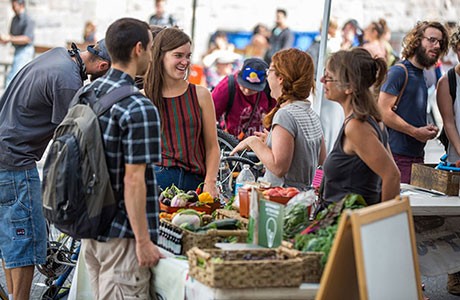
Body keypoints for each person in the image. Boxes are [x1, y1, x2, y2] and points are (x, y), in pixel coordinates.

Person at [0, 39, 110, 299]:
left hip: (5, 153)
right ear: (103, 65)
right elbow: (72, 139)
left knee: (12, 243)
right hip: (16, 161)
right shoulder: (68, 82)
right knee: (24, 244)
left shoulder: (59, 55)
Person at [80, 17, 163, 299]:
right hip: (123, 237)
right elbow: (134, 180)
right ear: (139, 48)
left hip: (90, 230)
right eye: (152, 48)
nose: (153, 56)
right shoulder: (138, 106)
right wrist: (143, 241)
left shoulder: (87, 92)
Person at [231, 49, 325, 190]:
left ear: (280, 78)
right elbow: (322, 163)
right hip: (303, 198)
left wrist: (254, 142)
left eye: (270, 71)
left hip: (281, 202)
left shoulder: (285, 115)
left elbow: (279, 168)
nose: (267, 77)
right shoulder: (311, 114)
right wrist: (315, 189)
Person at [144, 27, 220, 198]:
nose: (185, 62)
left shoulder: (201, 95)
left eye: (188, 56)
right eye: (178, 55)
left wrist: (210, 182)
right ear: (160, 56)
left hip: (196, 185)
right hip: (157, 183)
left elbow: (212, 147)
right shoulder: (144, 97)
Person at [321, 48, 400, 206]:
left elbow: (392, 175)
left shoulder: (356, 127)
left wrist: (383, 220)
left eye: (329, 77)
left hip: (351, 223)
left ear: (349, 87)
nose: (323, 80)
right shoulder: (370, 119)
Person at [378, 21, 449, 183]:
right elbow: (383, 111)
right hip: (396, 158)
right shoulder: (399, 72)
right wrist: (415, 132)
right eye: (431, 40)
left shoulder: (421, 74)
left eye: (440, 42)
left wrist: (425, 129)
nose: (437, 46)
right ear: (417, 40)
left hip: (415, 158)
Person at [436, 24, 460, 296]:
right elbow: (450, 122)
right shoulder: (448, 81)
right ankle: (455, 275)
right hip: (457, 159)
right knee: (457, 220)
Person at [212, 58, 276, 140]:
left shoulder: (269, 89)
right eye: (244, 86)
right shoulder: (227, 86)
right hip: (231, 142)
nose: (247, 91)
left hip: (260, 143)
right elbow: (210, 114)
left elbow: (276, 113)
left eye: (253, 89)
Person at [0, 0, 35, 88]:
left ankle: (7, 101)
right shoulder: (14, 19)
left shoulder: (28, 19)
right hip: (17, 51)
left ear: (21, 5)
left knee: (12, 79)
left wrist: (9, 38)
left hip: (26, 51)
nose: (13, 8)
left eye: (14, 6)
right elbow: (11, 37)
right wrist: (4, 39)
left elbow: (27, 39)